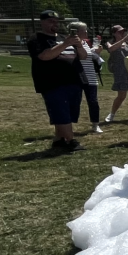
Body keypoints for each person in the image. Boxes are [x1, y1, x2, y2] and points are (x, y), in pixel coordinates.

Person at [28, 10, 87, 151]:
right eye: (51, 21)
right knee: (61, 112)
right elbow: (44, 56)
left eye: (56, 21)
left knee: (69, 113)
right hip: (53, 82)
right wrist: (65, 43)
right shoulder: (37, 39)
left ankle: (59, 139)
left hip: (74, 81)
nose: (54, 24)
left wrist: (79, 45)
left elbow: (83, 56)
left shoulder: (63, 37)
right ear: (42, 22)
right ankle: (70, 141)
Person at [69, 22, 104, 134]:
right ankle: (68, 125)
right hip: (77, 77)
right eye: (84, 30)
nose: (87, 32)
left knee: (93, 101)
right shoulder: (70, 44)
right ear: (77, 32)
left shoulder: (85, 43)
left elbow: (88, 57)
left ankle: (95, 124)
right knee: (75, 102)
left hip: (90, 77)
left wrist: (96, 53)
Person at [102, 25, 128, 123]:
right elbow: (111, 49)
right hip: (120, 72)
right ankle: (112, 114)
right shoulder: (109, 42)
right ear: (114, 33)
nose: (122, 33)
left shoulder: (126, 43)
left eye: (123, 31)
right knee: (122, 95)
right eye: (120, 32)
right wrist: (123, 40)